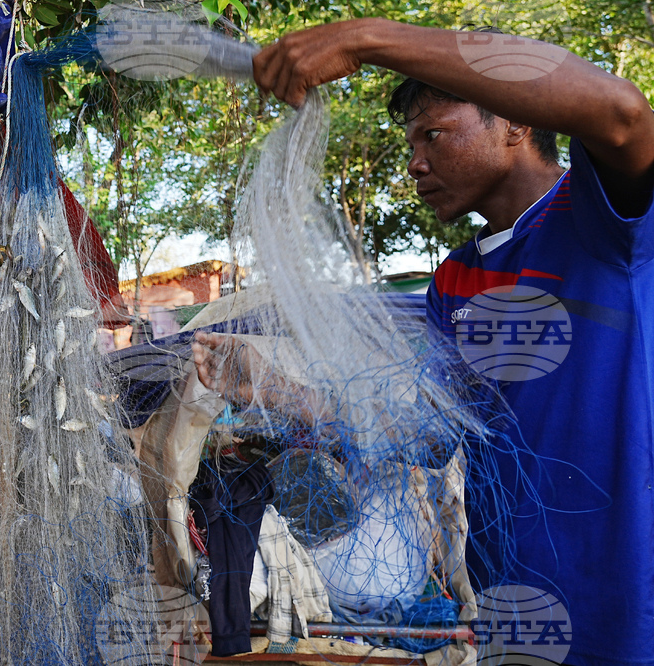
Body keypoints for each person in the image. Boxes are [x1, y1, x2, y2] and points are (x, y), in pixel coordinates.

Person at [193, 18, 654, 666]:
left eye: (433, 134)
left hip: (625, 617)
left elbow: (626, 114)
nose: (414, 162)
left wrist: (363, 41)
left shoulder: (605, 222)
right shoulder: (455, 279)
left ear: (516, 122)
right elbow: (425, 433)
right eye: (412, 141)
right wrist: (272, 389)